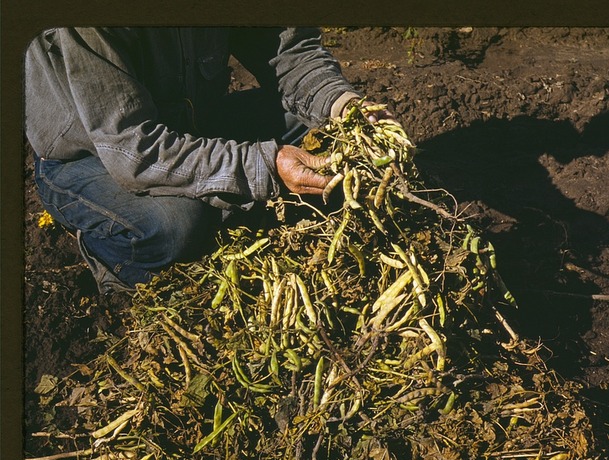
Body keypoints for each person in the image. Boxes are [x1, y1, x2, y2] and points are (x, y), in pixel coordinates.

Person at [25, 27, 393, 293]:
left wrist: (344, 107)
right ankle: (112, 254)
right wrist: (266, 165)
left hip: (195, 124)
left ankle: (223, 197)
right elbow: (134, 147)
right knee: (175, 227)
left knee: (325, 125)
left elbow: (289, 51)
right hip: (93, 156)